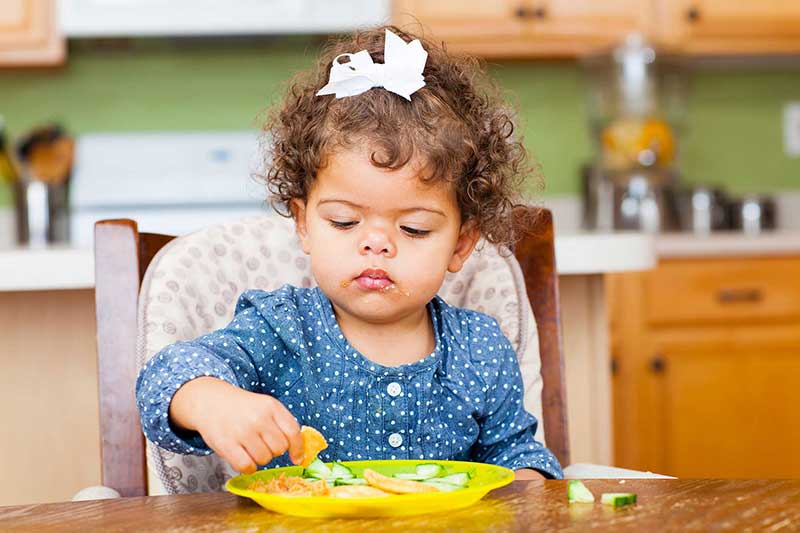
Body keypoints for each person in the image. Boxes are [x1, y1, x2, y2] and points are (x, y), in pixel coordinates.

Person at [136, 25, 563, 481]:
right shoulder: (281, 330)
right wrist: (210, 398)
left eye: (414, 228)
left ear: (461, 243)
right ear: (303, 223)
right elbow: (165, 377)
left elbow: (516, 455)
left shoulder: (478, 349)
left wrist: (526, 485)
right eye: (344, 221)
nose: (376, 243)